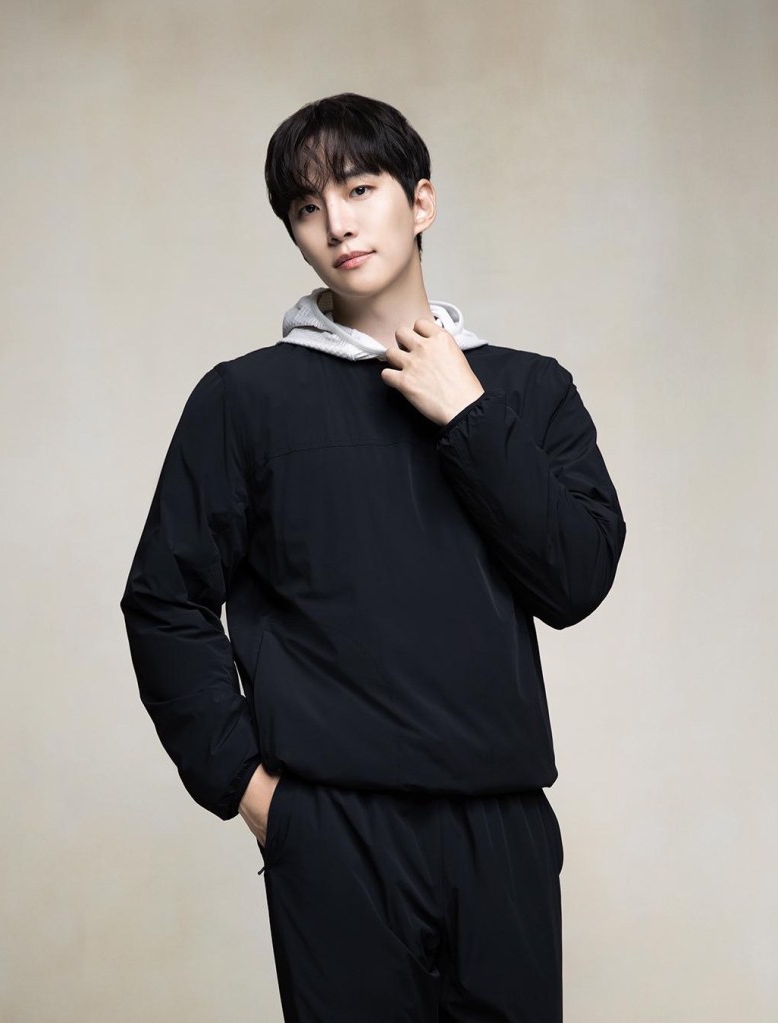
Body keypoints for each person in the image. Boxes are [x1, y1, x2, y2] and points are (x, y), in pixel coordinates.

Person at [120, 92, 627, 1022]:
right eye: (306, 207)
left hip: (502, 824)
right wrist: (248, 788)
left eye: (359, 189)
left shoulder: (528, 388)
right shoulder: (245, 400)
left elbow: (576, 579)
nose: (337, 224)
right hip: (333, 830)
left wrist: (467, 412)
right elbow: (164, 599)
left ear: (420, 201)